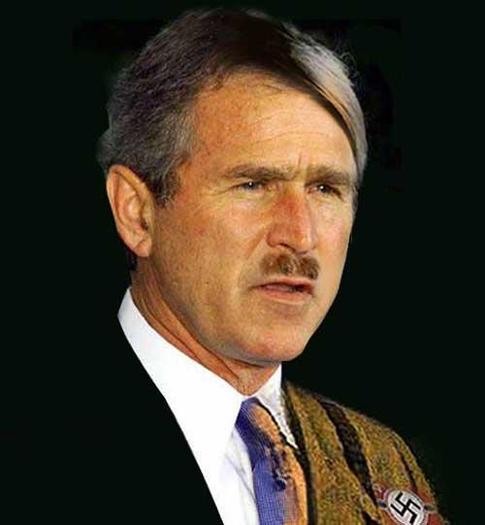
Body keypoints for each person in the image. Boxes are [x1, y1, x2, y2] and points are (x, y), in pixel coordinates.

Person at [80, 8, 446, 524]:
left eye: (326, 189)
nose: (301, 235)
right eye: (253, 185)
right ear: (137, 213)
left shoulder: (381, 463)